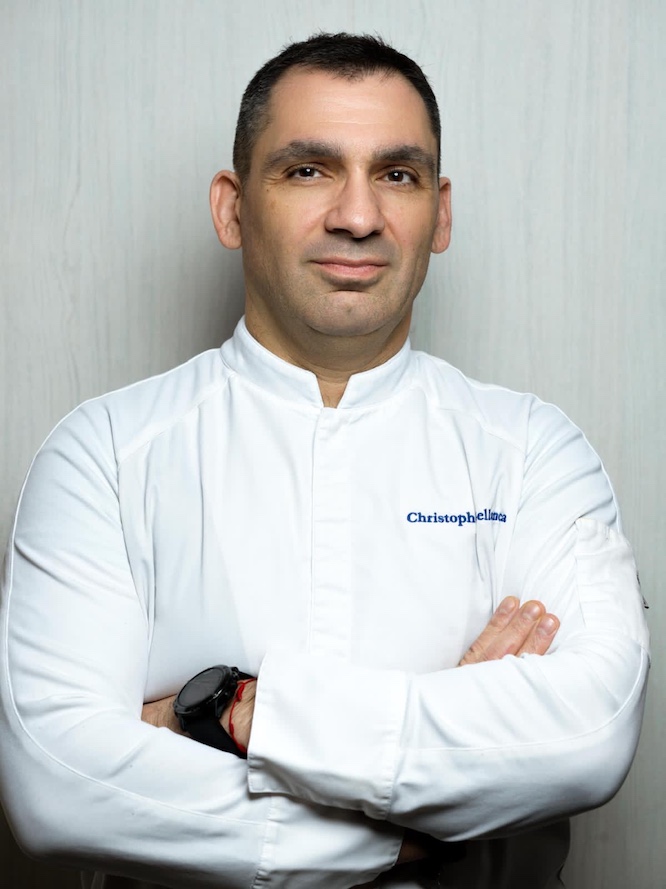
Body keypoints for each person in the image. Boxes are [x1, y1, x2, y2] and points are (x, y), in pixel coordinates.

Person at [0, 32, 649, 889]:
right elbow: (59, 786)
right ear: (232, 208)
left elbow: (588, 733)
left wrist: (235, 713)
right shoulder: (104, 455)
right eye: (308, 170)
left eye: (398, 174)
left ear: (440, 214)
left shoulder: (533, 452)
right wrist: (411, 815)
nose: (358, 215)